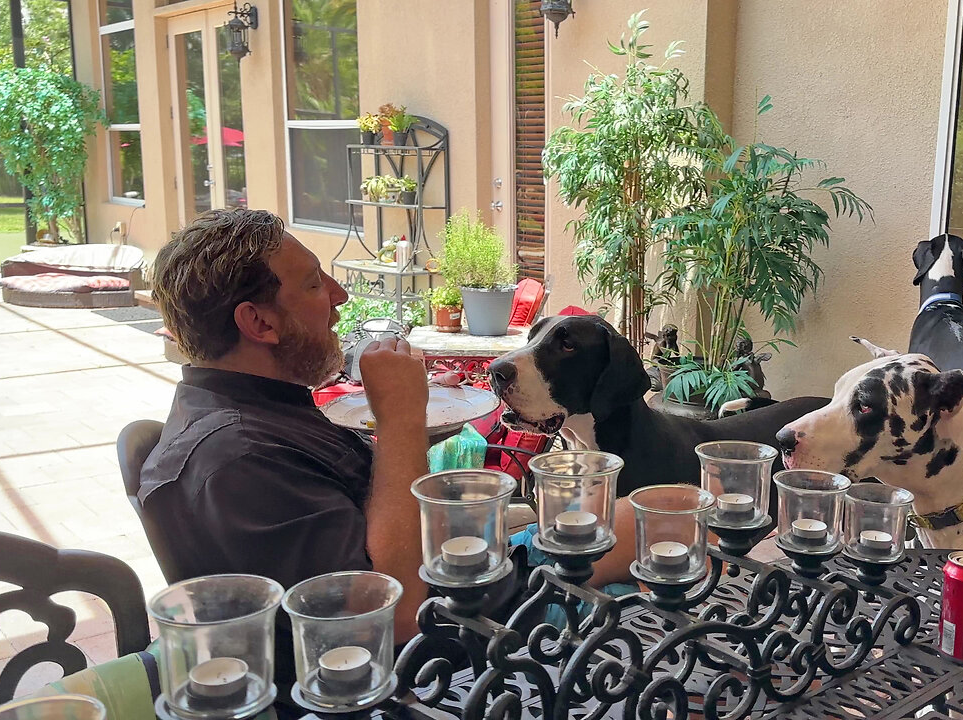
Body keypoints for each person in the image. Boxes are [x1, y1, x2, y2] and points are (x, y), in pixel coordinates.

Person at [139, 209, 639, 697]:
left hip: (469, 575)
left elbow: (364, 504)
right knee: (658, 528)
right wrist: (400, 418)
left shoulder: (251, 411)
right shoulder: (238, 462)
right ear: (258, 322)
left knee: (620, 513)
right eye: (315, 284)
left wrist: (418, 417)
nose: (339, 296)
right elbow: (394, 614)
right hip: (465, 646)